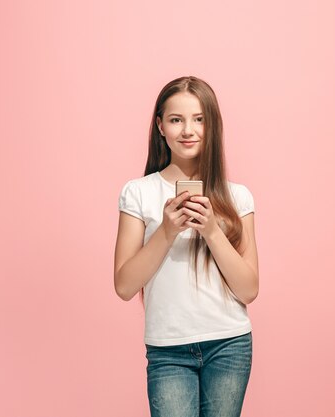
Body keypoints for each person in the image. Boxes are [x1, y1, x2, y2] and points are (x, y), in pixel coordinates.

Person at [113, 75, 259, 417]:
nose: (188, 130)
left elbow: (249, 289)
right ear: (160, 126)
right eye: (176, 119)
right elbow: (124, 285)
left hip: (229, 344)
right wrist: (166, 231)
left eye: (199, 119)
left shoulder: (237, 196)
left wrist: (211, 230)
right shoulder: (138, 193)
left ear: (213, 127)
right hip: (168, 350)